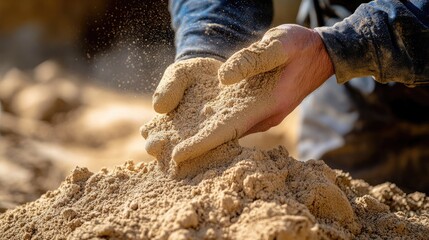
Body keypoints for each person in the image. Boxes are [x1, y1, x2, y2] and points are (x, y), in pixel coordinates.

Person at [149, 0, 429, 192]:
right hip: (349, 27)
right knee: (339, 196)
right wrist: (208, 39)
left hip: (380, 27)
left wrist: (346, 45)